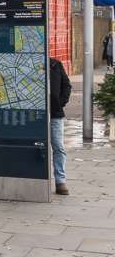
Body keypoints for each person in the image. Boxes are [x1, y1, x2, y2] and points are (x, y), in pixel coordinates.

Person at [49, 56, 72, 195]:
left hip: (55, 113)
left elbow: (66, 85)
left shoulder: (55, 64)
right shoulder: (28, 63)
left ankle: (60, 181)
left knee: (58, 146)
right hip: (34, 115)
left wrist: (60, 102)